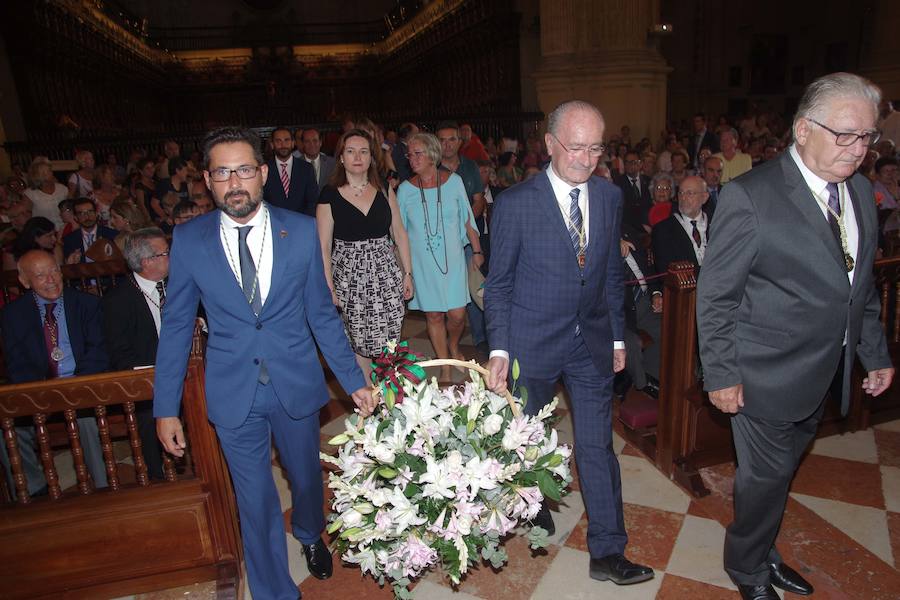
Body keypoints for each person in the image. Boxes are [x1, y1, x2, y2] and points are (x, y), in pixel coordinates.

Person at [153, 127, 374, 600]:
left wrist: (353, 380)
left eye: (245, 170)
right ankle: (275, 592)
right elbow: (175, 326)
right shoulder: (189, 239)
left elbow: (320, 312)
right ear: (208, 180)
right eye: (222, 172)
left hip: (294, 379)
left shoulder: (299, 232)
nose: (234, 181)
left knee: (306, 478)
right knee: (254, 500)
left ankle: (312, 533)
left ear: (263, 173)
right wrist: (165, 407)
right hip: (233, 388)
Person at [697, 72, 894, 600]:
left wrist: (873, 352)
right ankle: (748, 568)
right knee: (762, 481)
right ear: (803, 129)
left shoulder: (858, 191)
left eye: (867, 137)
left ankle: (762, 549)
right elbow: (715, 297)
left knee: (779, 476)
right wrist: (721, 374)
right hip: (762, 374)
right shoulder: (750, 197)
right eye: (845, 134)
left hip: (822, 372)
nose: (858, 150)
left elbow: (860, 285)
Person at [484, 100, 653, 587]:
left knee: (598, 446)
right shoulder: (515, 203)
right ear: (550, 144)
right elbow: (498, 285)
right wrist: (499, 349)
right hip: (531, 342)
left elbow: (607, 274)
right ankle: (533, 504)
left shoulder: (608, 196)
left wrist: (618, 335)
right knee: (527, 439)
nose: (586, 158)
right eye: (575, 147)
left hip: (592, 342)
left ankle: (608, 550)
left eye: (596, 148)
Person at [0, 250, 109, 495]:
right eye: (40, 275)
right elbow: (17, 363)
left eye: (54, 271)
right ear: (25, 282)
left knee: (87, 419)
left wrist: (76, 389)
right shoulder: (12, 315)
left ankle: (104, 487)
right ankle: (34, 492)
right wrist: (42, 394)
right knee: (8, 427)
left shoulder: (87, 305)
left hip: (81, 385)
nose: (51, 280)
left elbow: (98, 353)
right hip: (40, 389)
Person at [316, 129, 413, 381]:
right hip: (349, 276)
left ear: (372, 157)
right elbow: (324, 246)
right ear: (341, 158)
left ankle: (389, 396)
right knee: (360, 339)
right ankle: (369, 397)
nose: (357, 157)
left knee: (390, 335)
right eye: (350, 151)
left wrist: (407, 273)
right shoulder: (329, 194)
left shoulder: (383, 189)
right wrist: (329, 286)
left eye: (363, 151)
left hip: (385, 270)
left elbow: (400, 233)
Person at [396, 132, 484, 382]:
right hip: (422, 264)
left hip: (453, 261)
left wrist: (476, 251)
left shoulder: (454, 182)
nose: (412, 159)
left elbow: (467, 219)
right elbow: (399, 233)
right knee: (433, 315)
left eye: (417, 153)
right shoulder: (404, 190)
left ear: (432, 155)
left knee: (457, 315)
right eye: (409, 154)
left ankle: (454, 345)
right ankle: (445, 362)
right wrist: (405, 271)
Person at [101, 228, 169, 480]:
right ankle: (157, 477)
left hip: (188, 370)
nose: (170, 257)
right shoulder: (118, 300)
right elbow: (119, 352)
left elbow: (204, 316)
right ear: (147, 262)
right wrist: (152, 374)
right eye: (165, 253)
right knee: (145, 412)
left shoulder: (179, 284)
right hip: (147, 377)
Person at [651, 175, 709, 273]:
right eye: (681, 193)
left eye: (689, 193)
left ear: (704, 197)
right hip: (686, 286)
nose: (683, 198)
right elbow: (667, 271)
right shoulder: (663, 230)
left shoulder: (717, 225)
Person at [262, 126, 319, 216]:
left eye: (287, 140)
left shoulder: (306, 169)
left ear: (293, 143)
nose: (283, 145)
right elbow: (262, 201)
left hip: (302, 223)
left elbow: (313, 201)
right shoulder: (264, 170)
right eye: (278, 141)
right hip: (274, 224)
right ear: (272, 145)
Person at [62, 198, 118, 263]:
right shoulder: (69, 240)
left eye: (90, 211)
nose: (87, 216)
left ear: (96, 213)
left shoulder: (111, 235)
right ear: (75, 218)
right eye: (81, 213)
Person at [24, 157, 68, 230]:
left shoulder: (62, 188)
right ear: (41, 174)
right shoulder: (30, 194)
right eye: (49, 171)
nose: (52, 173)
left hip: (65, 230)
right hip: (44, 233)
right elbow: (26, 217)